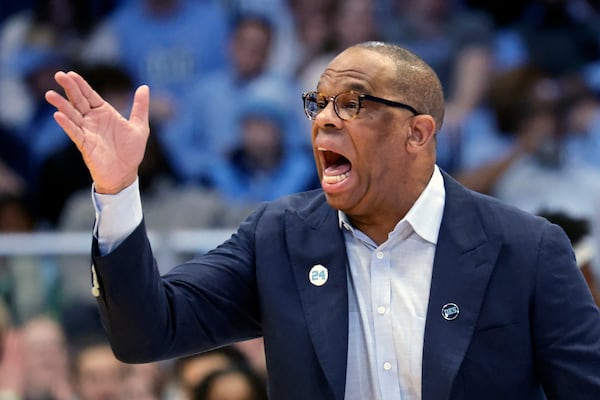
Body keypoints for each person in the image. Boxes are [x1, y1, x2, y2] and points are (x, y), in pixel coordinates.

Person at [45, 41, 600, 400]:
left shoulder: (526, 249)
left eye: (353, 103)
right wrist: (116, 190)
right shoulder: (278, 237)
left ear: (418, 133)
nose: (326, 120)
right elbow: (147, 332)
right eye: (319, 103)